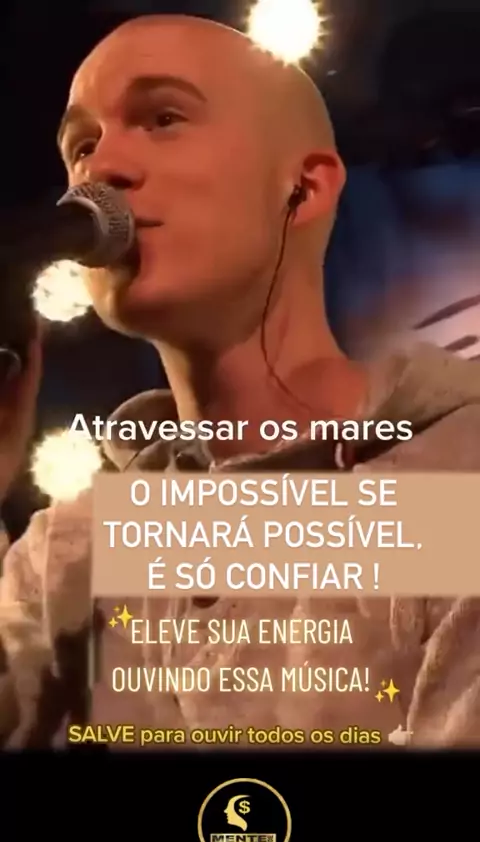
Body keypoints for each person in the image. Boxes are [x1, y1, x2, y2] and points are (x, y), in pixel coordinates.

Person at [0, 14, 480, 748]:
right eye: (82, 147)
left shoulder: (458, 473)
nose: (101, 172)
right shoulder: (66, 551)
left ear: (305, 188)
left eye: (163, 119)